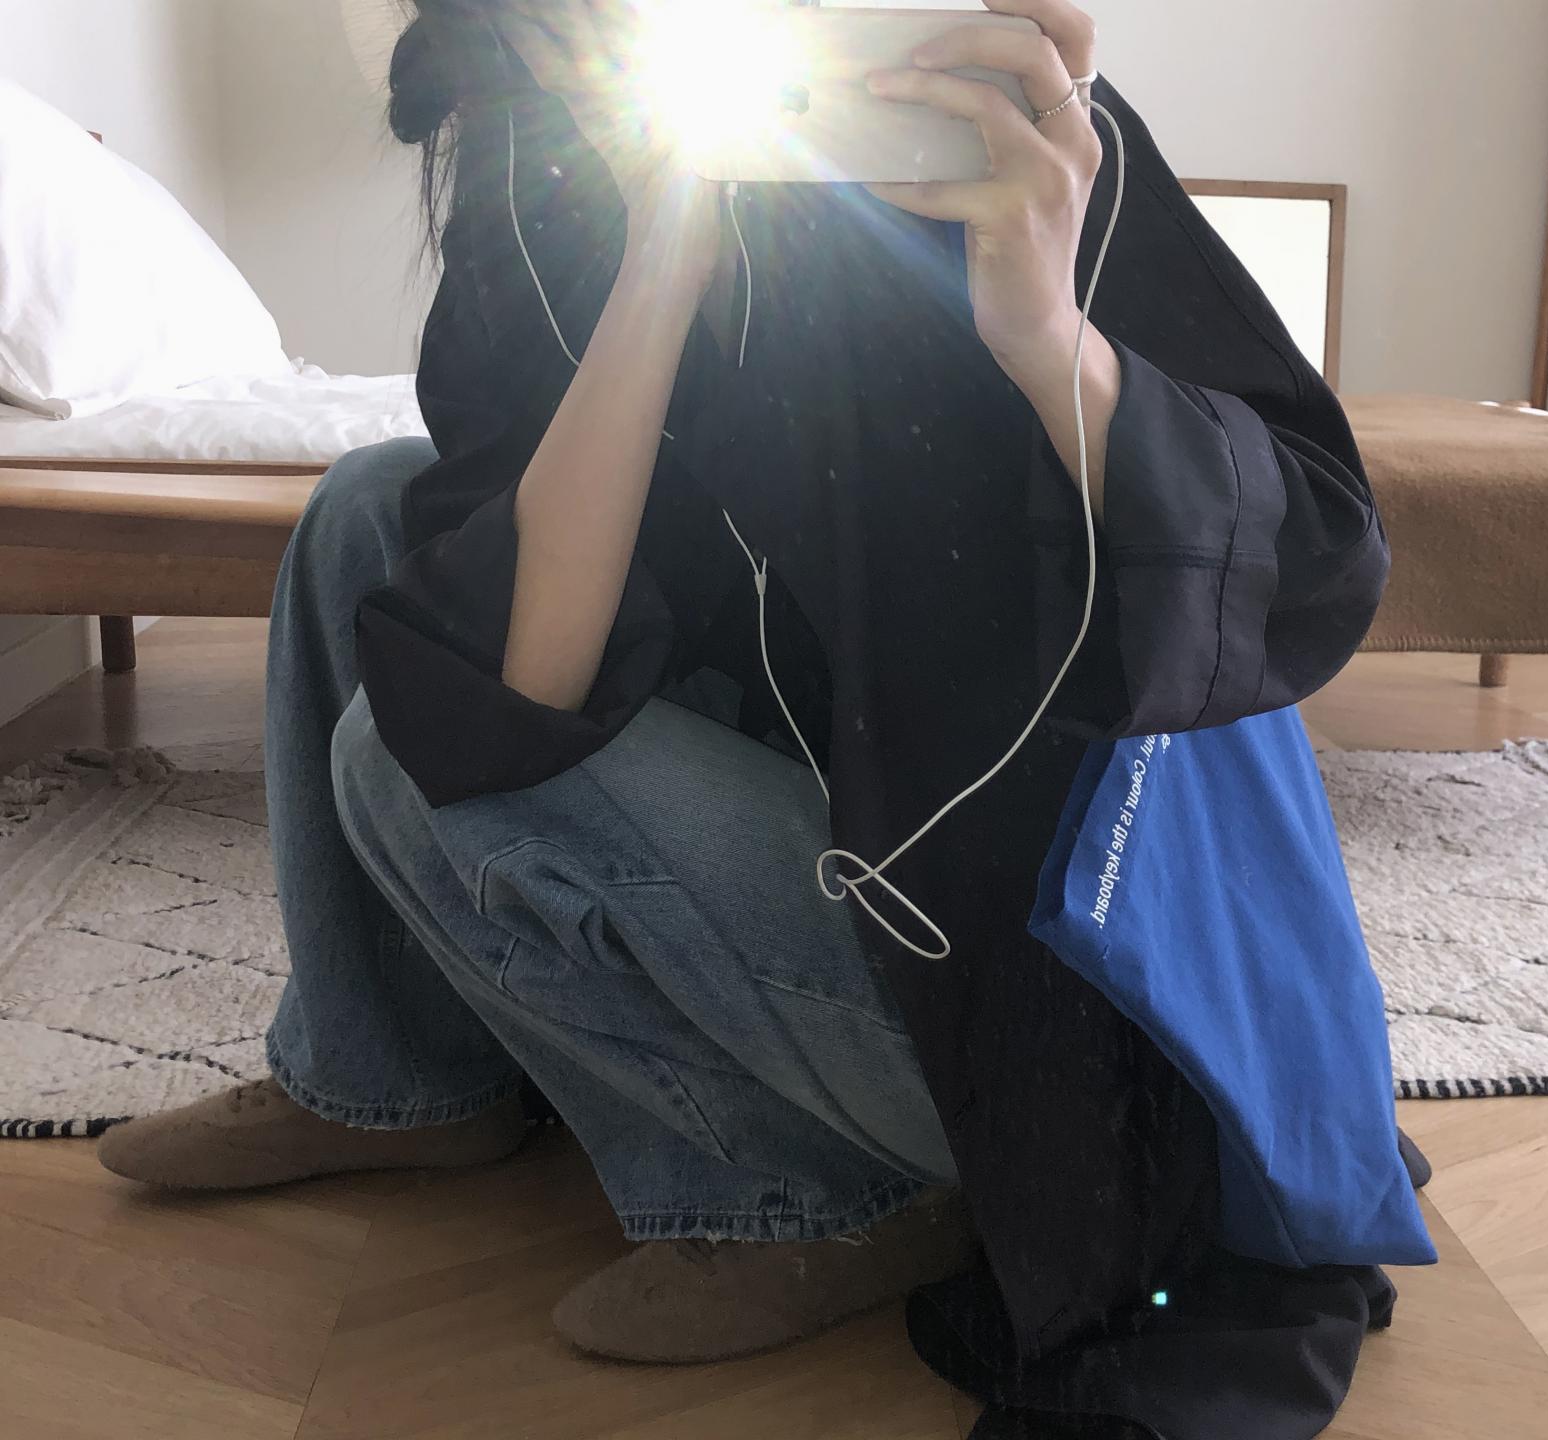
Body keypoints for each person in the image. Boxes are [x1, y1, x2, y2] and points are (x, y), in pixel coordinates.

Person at [99, 2, 1406, 1434]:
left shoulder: (995, 122)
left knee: (402, 758)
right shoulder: (536, 178)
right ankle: (392, 1077)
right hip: (814, 780)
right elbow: (528, 665)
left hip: (1019, 985)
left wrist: (1050, 338)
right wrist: (662, 263)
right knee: (367, 508)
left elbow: (1315, 561)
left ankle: (828, 1191)